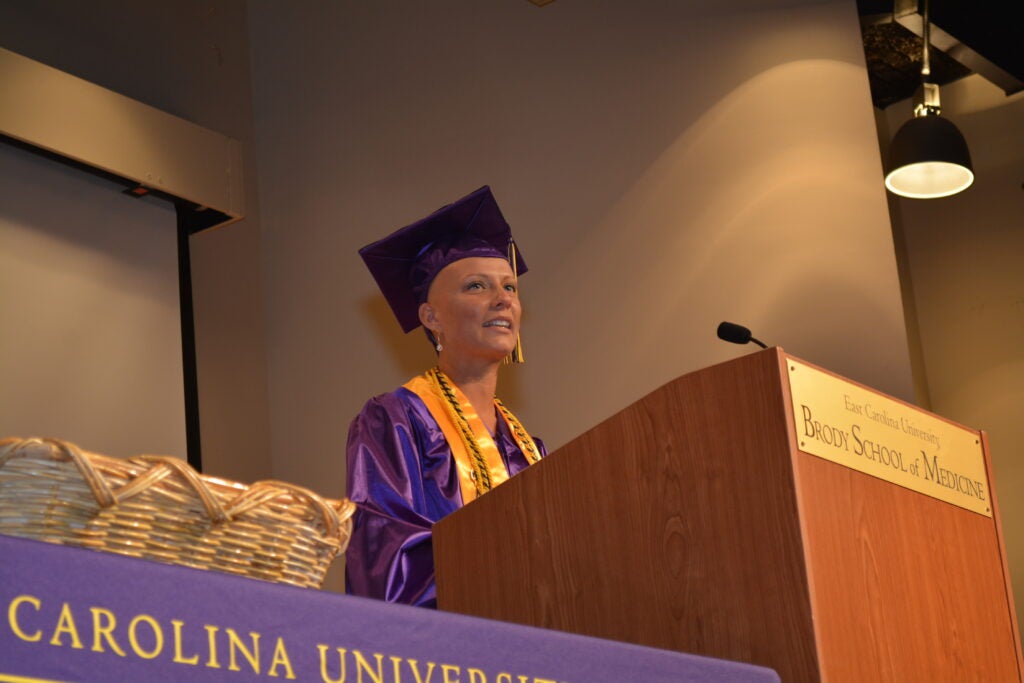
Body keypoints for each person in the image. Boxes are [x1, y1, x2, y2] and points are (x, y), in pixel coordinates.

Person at [346, 186, 546, 608]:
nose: (504, 299)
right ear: (430, 316)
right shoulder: (395, 420)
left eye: (510, 287)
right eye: (476, 286)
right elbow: (386, 560)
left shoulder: (529, 448)